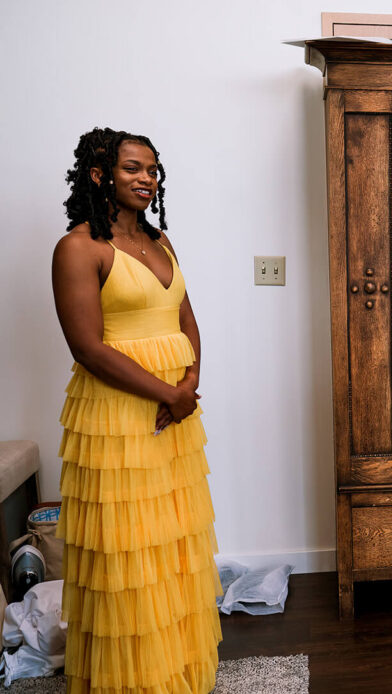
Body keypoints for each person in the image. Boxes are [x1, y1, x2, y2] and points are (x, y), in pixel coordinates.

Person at [52, 127, 221, 693]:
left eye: (151, 169)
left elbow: (185, 318)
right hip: (120, 416)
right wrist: (167, 392)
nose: (146, 178)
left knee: (170, 540)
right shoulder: (79, 247)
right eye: (131, 168)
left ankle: (174, 669)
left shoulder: (161, 241)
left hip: (176, 413)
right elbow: (88, 348)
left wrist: (191, 378)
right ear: (100, 175)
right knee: (126, 548)